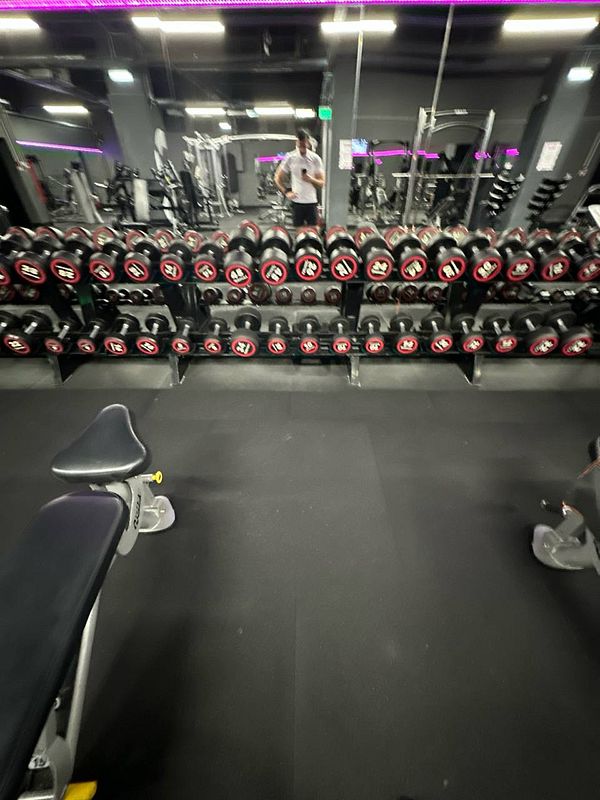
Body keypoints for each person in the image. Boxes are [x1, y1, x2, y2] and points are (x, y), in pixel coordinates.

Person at [275, 129, 325, 229]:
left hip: (312, 202)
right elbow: (277, 177)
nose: (302, 145)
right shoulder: (290, 157)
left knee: (313, 233)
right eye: (300, 143)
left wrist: (311, 179)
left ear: (308, 142)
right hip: (297, 203)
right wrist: (286, 192)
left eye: (304, 142)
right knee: (299, 234)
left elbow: (322, 183)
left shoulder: (315, 158)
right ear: (296, 142)